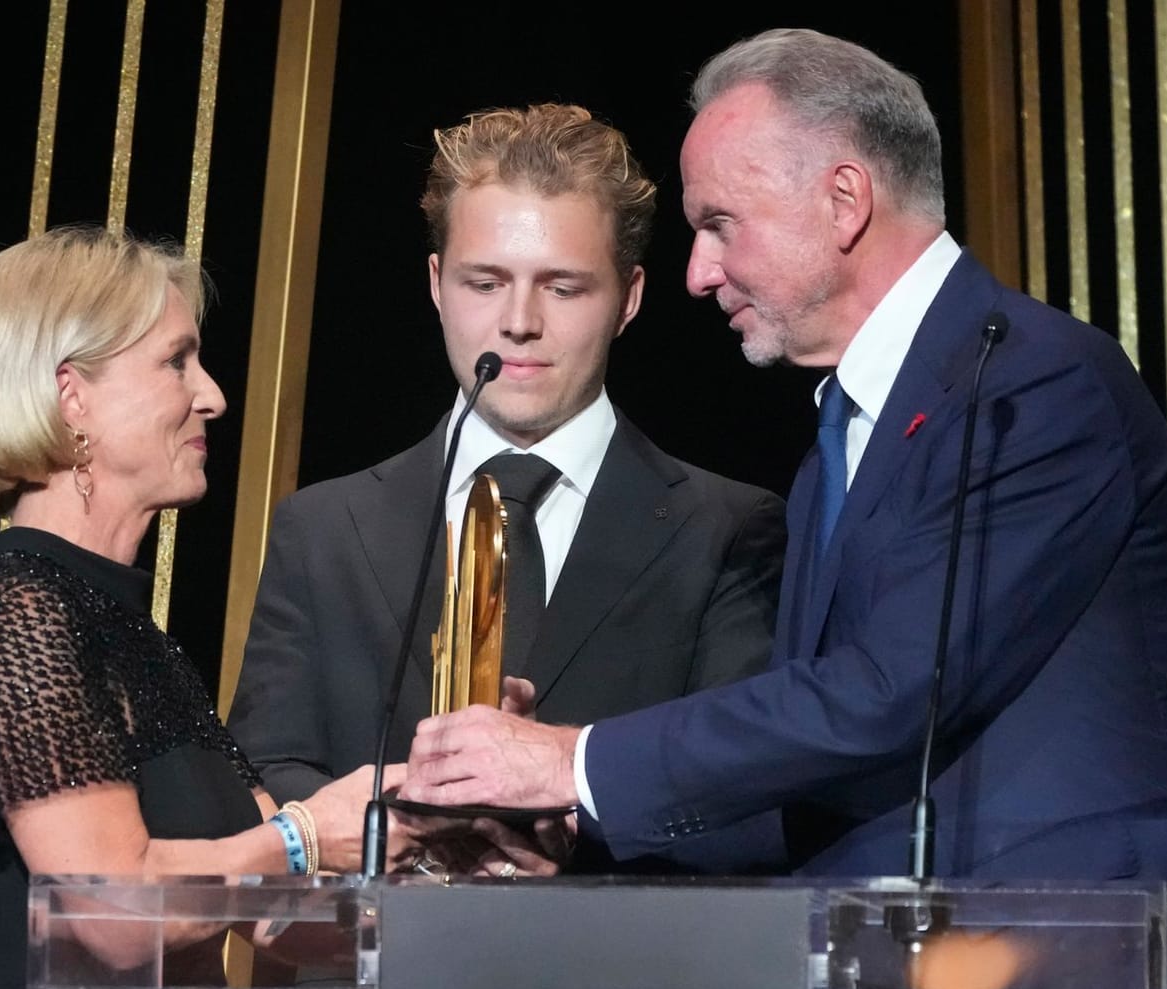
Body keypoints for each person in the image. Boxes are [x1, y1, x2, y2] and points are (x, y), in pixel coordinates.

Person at [399, 30, 1167, 989]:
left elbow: (887, 692)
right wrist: (573, 825)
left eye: (718, 224)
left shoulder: (1033, 384)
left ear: (844, 199)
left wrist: (572, 761)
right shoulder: (840, 446)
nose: (697, 272)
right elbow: (818, 776)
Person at [0, 227, 413, 989]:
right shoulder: (16, 611)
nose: (211, 396)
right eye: (177, 362)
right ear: (73, 398)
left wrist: (431, 823)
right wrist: (304, 834)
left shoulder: (135, 640)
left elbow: (281, 917)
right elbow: (114, 912)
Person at [228, 105, 788, 876]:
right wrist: (403, 837)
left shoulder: (727, 529)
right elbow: (263, 777)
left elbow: (749, 802)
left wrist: (569, 825)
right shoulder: (321, 529)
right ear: (435, 284)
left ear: (627, 298)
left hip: (615, 986)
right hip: (375, 976)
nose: (518, 323)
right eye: (485, 282)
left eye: (563, 288)